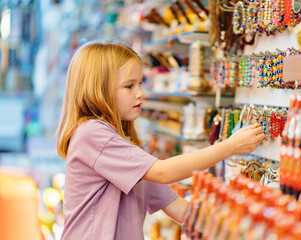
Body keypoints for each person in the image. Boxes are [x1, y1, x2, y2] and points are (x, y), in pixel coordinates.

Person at [56, 41, 265, 240]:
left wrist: (238, 232)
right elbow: (164, 172)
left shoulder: (124, 148)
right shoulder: (92, 133)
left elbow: (179, 208)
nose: (140, 93)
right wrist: (230, 146)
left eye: (140, 83)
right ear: (98, 89)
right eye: (129, 86)